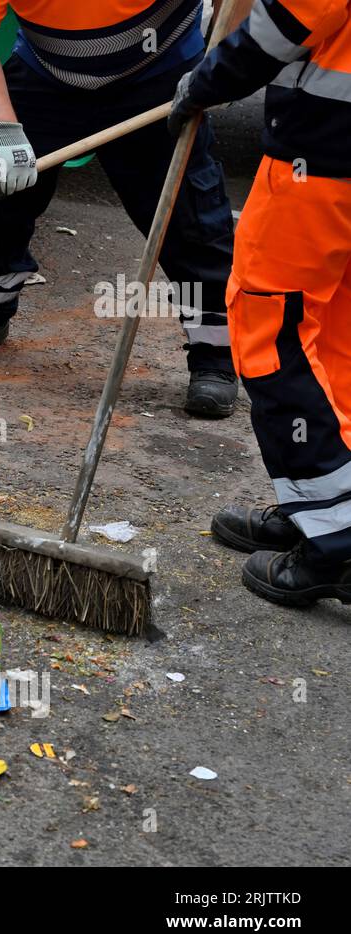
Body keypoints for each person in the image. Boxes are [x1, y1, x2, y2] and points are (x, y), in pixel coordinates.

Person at [0, 0, 240, 418]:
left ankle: (215, 356)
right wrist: (5, 131)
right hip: (47, 73)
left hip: (159, 75)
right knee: (0, 193)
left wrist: (220, 64)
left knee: (189, 215)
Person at [171, 0, 351, 605]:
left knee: (271, 328)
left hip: (323, 162)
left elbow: (294, 16)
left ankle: (336, 539)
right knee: (334, 338)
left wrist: (208, 79)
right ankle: (326, 508)